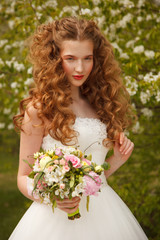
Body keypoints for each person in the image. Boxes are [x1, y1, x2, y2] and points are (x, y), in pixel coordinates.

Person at [9, 17, 148, 240]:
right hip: (53, 220)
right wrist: (51, 196)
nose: (80, 68)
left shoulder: (101, 104)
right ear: (55, 59)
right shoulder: (40, 110)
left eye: (87, 58)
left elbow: (93, 179)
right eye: (70, 58)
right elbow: (23, 177)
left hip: (105, 214)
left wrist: (117, 160)